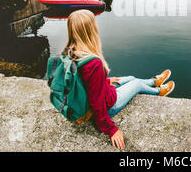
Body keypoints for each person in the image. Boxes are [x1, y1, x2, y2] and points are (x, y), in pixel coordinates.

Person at [63, 9, 175, 150]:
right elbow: (96, 102)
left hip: (97, 93)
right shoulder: (94, 63)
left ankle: (153, 81)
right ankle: (158, 91)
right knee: (136, 84)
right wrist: (111, 130)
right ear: (90, 30)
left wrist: (105, 81)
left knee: (130, 78)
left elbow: (84, 82)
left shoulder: (69, 52)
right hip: (109, 105)